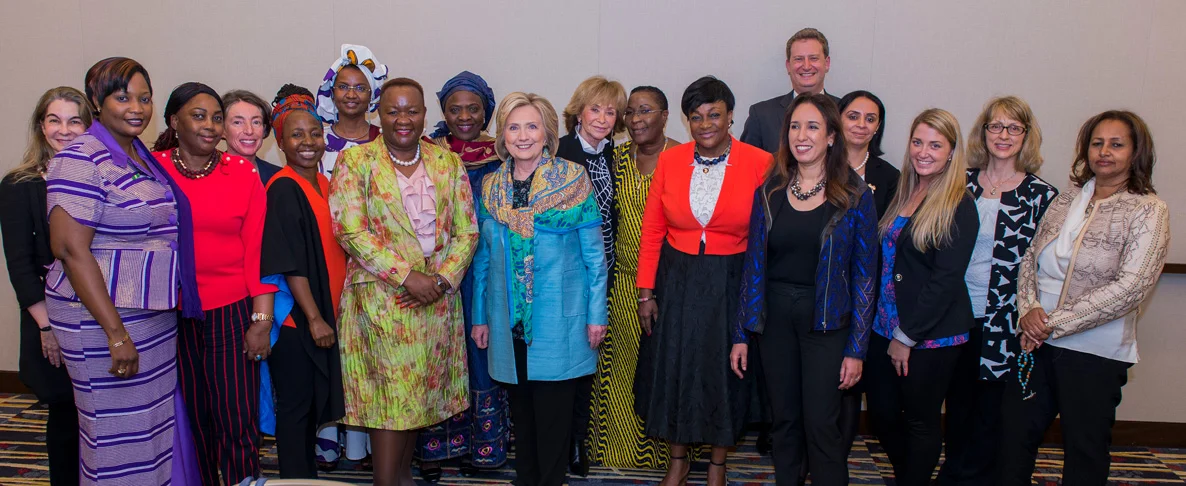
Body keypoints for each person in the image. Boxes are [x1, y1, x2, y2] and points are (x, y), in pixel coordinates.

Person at [45, 56, 200, 485]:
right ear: (96, 102)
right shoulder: (80, 159)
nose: (136, 107)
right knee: (114, 435)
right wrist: (116, 334)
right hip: (101, 319)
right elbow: (70, 250)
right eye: (122, 97)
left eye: (144, 98)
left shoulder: (138, 154)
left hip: (149, 317)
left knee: (150, 428)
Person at [999, 111, 1170, 485]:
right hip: (1036, 344)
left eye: (1116, 144)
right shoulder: (1066, 199)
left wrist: (1050, 323)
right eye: (1097, 143)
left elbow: (1132, 287)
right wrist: (1029, 309)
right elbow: (1030, 258)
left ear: (1136, 152)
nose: (1104, 152)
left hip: (1094, 352)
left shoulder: (1148, 209)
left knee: (1084, 450)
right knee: (1013, 437)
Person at [329, 77, 478, 486]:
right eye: (393, 111)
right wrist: (407, 277)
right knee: (389, 402)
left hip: (435, 302)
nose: (403, 119)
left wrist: (441, 281)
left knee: (418, 399)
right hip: (382, 302)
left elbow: (467, 231)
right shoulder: (355, 162)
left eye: (411, 110)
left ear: (425, 115)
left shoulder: (447, 162)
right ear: (379, 114)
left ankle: (402, 479)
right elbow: (350, 230)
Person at [730, 93, 877, 485]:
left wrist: (857, 349)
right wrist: (741, 332)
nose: (801, 135)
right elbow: (753, 265)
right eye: (794, 126)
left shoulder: (855, 194)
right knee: (784, 422)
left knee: (822, 426)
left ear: (831, 136)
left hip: (827, 323)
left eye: (812, 126)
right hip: (775, 322)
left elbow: (865, 276)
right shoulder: (770, 189)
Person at [635, 76, 772, 486]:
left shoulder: (760, 162)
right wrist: (646, 292)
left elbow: (766, 237)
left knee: (724, 373)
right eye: (696, 117)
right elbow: (652, 230)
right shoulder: (671, 161)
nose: (705, 124)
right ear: (687, 121)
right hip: (676, 279)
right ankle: (678, 462)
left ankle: (717, 466)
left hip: (732, 279)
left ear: (730, 117)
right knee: (675, 369)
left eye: (714, 115)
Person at [470, 91, 608, 486]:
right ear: (503, 135)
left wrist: (597, 316)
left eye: (532, 126)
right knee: (523, 418)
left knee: (552, 422)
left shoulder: (573, 180)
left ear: (547, 133)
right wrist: (479, 317)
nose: (523, 136)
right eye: (513, 127)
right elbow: (483, 259)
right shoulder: (492, 187)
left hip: (559, 322)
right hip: (506, 320)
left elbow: (594, 257)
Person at [151, 82, 276, 486]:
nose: (210, 125)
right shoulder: (152, 169)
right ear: (174, 121)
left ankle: (244, 481)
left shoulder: (240, 172)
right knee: (192, 418)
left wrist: (261, 320)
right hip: (168, 314)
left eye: (217, 118)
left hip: (230, 311)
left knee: (236, 417)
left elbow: (258, 251)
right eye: (199, 116)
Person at [938, 96, 1058, 485]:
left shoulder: (1042, 195)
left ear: (1026, 135)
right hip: (954, 313)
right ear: (983, 131)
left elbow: (1045, 267)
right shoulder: (958, 183)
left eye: (1014, 127)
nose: (1003, 135)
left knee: (992, 411)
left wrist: (1034, 318)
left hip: (1006, 319)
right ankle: (955, 473)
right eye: (995, 126)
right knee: (957, 404)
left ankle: (973, 478)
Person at [864, 108, 979, 486]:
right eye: (918, 142)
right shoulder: (904, 190)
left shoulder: (959, 203)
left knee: (920, 420)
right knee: (882, 415)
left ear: (951, 152)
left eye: (935, 145)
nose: (924, 152)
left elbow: (946, 280)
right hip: (884, 326)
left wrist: (907, 336)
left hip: (930, 336)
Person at [415, 71, 509, 481]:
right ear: (443, 112)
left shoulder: (501, 154)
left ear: (486, 111)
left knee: (478, 352)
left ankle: (480, 446)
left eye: (473, 108)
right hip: (434, 269)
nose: (465, 116)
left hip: (483, 270)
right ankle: (432, 449)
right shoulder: (425, 152)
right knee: (435, 354)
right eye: (455, 109)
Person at [0, 86, 90, 486]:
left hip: (98, 313)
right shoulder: (19, 185)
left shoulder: (101, 178)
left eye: (74, 121)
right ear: (41, 125)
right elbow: (19, 265)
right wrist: (47, 327)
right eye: (55, 120)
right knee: (67, 416)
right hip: (49, 318)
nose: (64, 130)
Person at [588, 85, 679, 469]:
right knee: (621, 367)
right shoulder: (616, 159)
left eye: (646, 110)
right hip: (622, 281)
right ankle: (618, 449)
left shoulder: (682, 158)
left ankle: (667, 453)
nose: (636, 119)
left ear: (665, 116)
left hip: (672, 285)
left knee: (665, 368)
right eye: (630, 112)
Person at [259, 85, 347, 479]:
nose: (308, 142)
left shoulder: (324, 185)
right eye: (296, 135)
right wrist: (314, 318)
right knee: (296, 411)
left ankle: (307, 478)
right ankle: (295, 480)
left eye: (314, 133)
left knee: (311, 410)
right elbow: (289, 261)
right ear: (280, 143)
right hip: (299, 321)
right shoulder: (283, 188)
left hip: (324, 314)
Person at [554, 74, 627, 475]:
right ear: (578, 112)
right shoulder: (558, 153)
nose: (602, 118)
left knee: (591, 361)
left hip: (607, 274)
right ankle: (565, 440)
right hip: (568, 274)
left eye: (610, 111)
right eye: (595, 109)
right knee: (568, 360)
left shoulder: (617, 156)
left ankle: (580, 439)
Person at [741, 28, 841, 154]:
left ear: (827, 63)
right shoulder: (761, 115)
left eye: (813, 58)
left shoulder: (844, 112)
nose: (806, 66)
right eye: (799, 59)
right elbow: (746, 162)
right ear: (788, 66)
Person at [315, 43, 388, 180]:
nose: (351, 95)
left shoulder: (385, 142)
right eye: (343, 87)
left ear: (371, 95)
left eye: (360, 88)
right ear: (332, 92)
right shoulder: (316, 140)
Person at [838, 90, 899, 218]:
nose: (861, 125)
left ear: (877, 126)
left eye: (870, 119)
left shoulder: (890, 176)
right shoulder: (818, 166)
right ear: (838, 119)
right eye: (853, 117)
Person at [222, 89, 283, 183]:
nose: (249, 131)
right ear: (222, 129)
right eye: (238, 122)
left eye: (256, 122)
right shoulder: (206, 176)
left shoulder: (279, 178)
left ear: (264, 129)